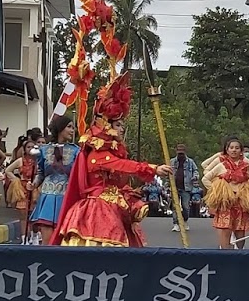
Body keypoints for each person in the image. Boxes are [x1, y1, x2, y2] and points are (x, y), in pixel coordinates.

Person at [54, 76, 170, 247]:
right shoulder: (97, 155)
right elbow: (122, 165)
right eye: (118, 125)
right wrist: (152, 168)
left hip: (115, 206)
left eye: (122, 125)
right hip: (97, 210)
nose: (122, 129)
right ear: (106, 127)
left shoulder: (112, 152)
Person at [203, 136, 249, 249]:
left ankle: (239, 253)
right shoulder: (221, 165)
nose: (234, 150)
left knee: (240, 232)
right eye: (231, 148)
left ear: (241, 151)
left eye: (237, 148)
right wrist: (217, 191)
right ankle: (225, 254)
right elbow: (205, 179)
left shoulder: (247, 166)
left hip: (241, 203)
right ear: (227, 150)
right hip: (226, 203)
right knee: (225, 230)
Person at [30, 116, 77, 244]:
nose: (72, 130)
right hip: (48, 196)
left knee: (64, 241)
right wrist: (34, 184)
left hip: (66, 198)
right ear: (60, 128)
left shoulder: (76, 151)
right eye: (69, 127)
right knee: (47, 241)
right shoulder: (43, 150)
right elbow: (41, 173)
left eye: (73, 127)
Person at [169, 143, 201, 226]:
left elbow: (195, 170)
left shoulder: (190, 162)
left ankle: (185, 221)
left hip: (186, 188)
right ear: (176, 152)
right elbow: (167, 171)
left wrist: (195, 177)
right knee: (175, 206)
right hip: (174, 187)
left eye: (182, 153)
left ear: (185, 152)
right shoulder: (172, 161)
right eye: (179, 153)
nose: (180, 155)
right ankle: (176, 223)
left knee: (186, 207)